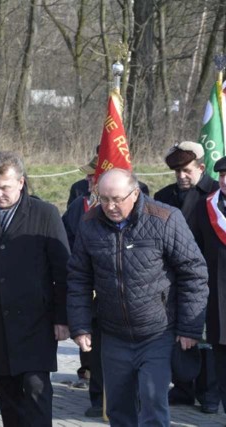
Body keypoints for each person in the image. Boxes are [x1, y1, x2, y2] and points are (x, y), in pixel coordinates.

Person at [68, 168, 209, 426]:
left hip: (157, 332)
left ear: (135, 193)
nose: (109, 206)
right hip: (113, 334)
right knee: (119, 408)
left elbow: (194, 273)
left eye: (117, 199)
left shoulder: (165, 219)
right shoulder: (89, 223)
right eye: (104, 198)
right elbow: (78, 278)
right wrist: (80, 325)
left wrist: (189, 328)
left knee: (153, 403)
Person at [0, 151, 70, 426]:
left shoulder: (45, 214)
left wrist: (63, 318)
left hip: (36, 322)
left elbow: (62, 271)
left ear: (20, 182)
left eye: (4, 187)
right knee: (7, 395)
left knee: (36, 389)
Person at [154, 140, 220, 412]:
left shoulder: (216, 194)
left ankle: (209, 394)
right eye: (177, 171)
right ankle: (183, 388)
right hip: (171, 278)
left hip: (209, 277)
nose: (182, 176)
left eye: (187, 170)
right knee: (176, 335)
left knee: (205, 338)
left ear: (202, 168)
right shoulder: (163, 196)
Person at [61, 155, 105, 418]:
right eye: (89, 175)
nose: (88, 179)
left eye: (94, 175)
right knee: (93, 346)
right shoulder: (79, 205)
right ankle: (98, 397)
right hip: (85, 283)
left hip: (112, 286)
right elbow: (65, 237)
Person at [192, 156, 226, 414]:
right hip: (219, 300)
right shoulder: (205, 207)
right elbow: (194, 251)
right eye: (222, 176)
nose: (224, 181)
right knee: (222, 360)